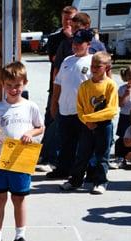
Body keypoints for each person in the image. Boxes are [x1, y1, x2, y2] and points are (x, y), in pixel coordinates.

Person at [0, 61, 44, 241]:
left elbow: (40, 127)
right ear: (2, 85)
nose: (13, 89)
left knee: (19, 198)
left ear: (24, 83)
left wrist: (30, 133)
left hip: (21, 159)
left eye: (17, 85)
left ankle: (20, 237)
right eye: (9, 85)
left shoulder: (30, 106)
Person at [60, 51, 118, 195]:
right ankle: (76, 180)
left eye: (98, 66)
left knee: (101, 155)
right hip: (87, 126)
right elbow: (80, 108)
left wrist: (91, 118)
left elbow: (111, 110)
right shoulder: (85, 86)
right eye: (92, 66)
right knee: (82, 154)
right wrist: (86, 120)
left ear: (107, 67)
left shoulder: (110, 85)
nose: (93, 69)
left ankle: (100, 182)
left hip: (104, 126)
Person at [47, 29, 94, 179]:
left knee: (85, 144)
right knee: (66, 143)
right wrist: (54, 104)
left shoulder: (93, 61)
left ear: (88, 44)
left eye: (80, 43)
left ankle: (87, 171)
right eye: (74, 42)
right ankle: (63, 169)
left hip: (83, 111)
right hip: (65, 109)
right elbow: (58, 84)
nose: (76, 45)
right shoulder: (67, 60)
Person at [38, 6, 78, 171]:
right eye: (65, 19)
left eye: (71, 19)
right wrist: (69, 39)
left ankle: (64, 157)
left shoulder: (83, 38)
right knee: (52, 119)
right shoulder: (55, 37)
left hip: (75, 88)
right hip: (56, 85)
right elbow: (55, 59)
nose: (68, 22)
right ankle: (48, 156)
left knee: (71, 123)